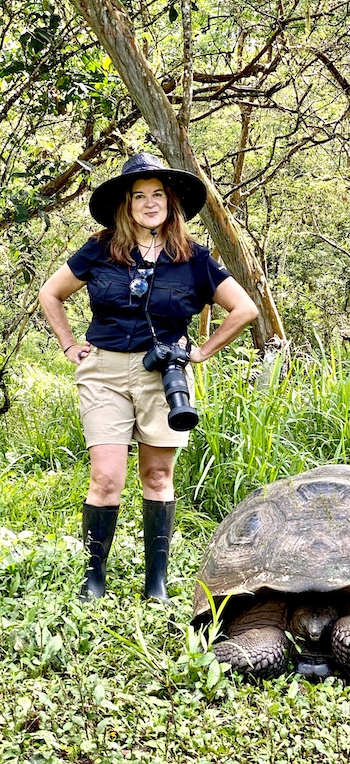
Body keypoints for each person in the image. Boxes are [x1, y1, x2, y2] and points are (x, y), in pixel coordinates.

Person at [39, 152, 259, 603]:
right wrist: (67, 344)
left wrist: (202, 352)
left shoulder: (194, 258)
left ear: (171, 201)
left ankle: (155, 581)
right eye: (139, 195)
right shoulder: (99, 249)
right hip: (104, 371)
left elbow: (245, 309)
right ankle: (93, 578)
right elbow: (51, 293)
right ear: (126, 204)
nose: (149, 202)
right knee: (105, 478)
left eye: (157, 193)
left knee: (157, 476)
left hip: (165, 372)